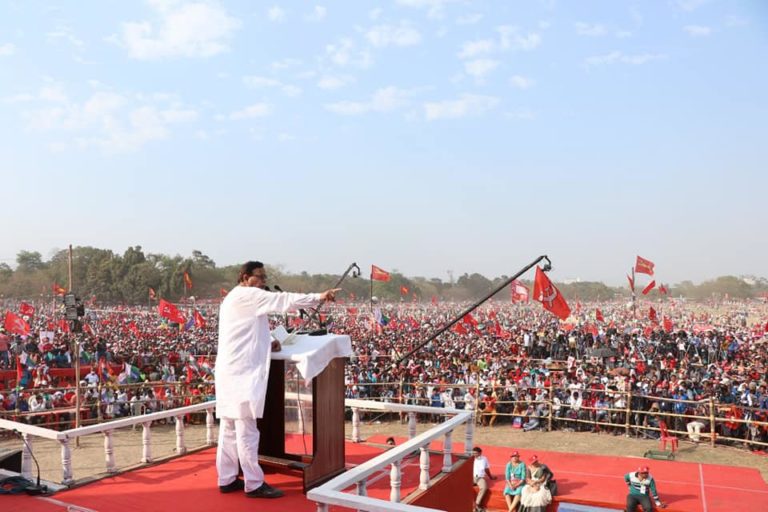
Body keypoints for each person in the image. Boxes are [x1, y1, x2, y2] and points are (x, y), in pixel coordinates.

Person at [215, 261, 340, 498]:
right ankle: (253, 483)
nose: (263, 281)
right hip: (242, 373)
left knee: (229, 428)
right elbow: (285, 301)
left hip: (231, 371)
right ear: (244, 277)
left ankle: (227, 477)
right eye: (259, 277)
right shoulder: (249, 295)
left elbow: (247, 329)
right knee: (246, 430)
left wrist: (269, 339)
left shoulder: (235, 297)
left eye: (264, 277)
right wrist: (320, 296)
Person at [472, 446, 497, 512]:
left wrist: (490, 477)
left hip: (480, 477)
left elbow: (486, 469)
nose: (474, 455)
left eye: (476, 453)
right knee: (465, 487)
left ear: (480, 453)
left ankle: (477, 504)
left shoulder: (484, 459)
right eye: (473, 453)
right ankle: (472, 504)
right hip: (471, 477)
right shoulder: (470, 458)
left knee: (484, 487)